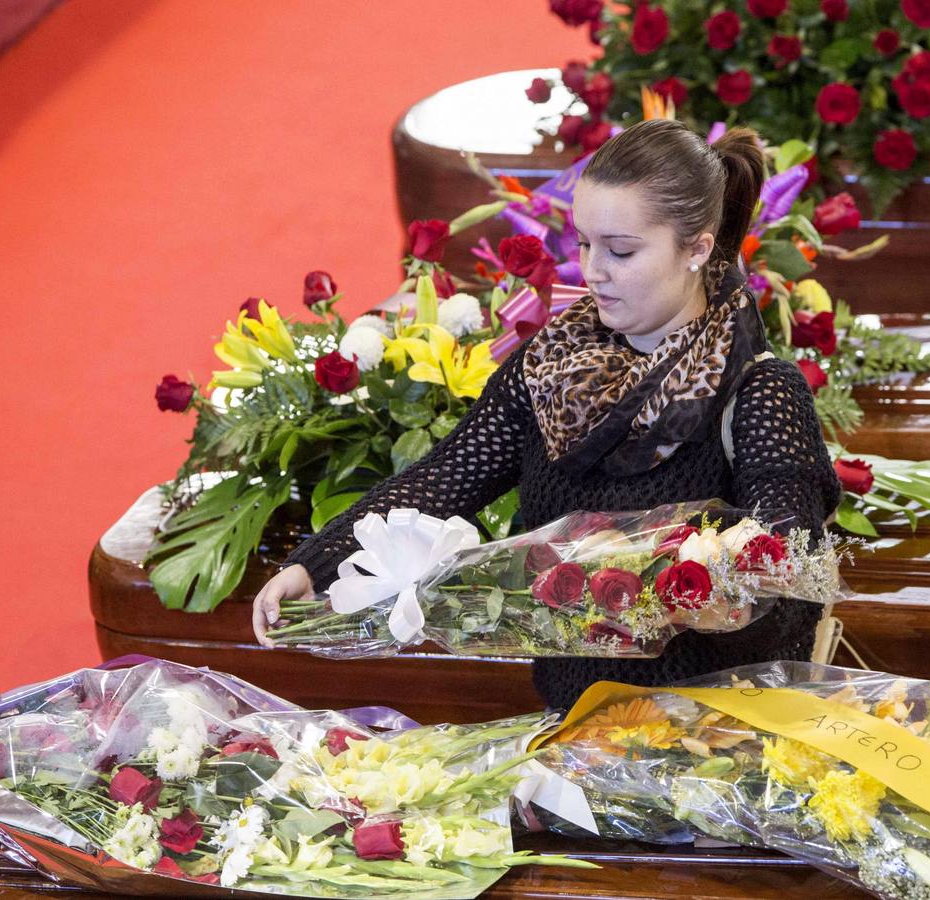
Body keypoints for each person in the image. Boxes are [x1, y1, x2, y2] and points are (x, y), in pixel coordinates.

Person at [252, 119, 842, 710]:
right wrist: (315, 563)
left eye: (621, 250)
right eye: (584, 243)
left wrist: (720, 595)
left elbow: (785, 568)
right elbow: (447, 476)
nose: (591, 271)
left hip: (703, 737)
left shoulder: (760, 391)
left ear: (697, 248)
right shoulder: (554, 364)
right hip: (571, 721)